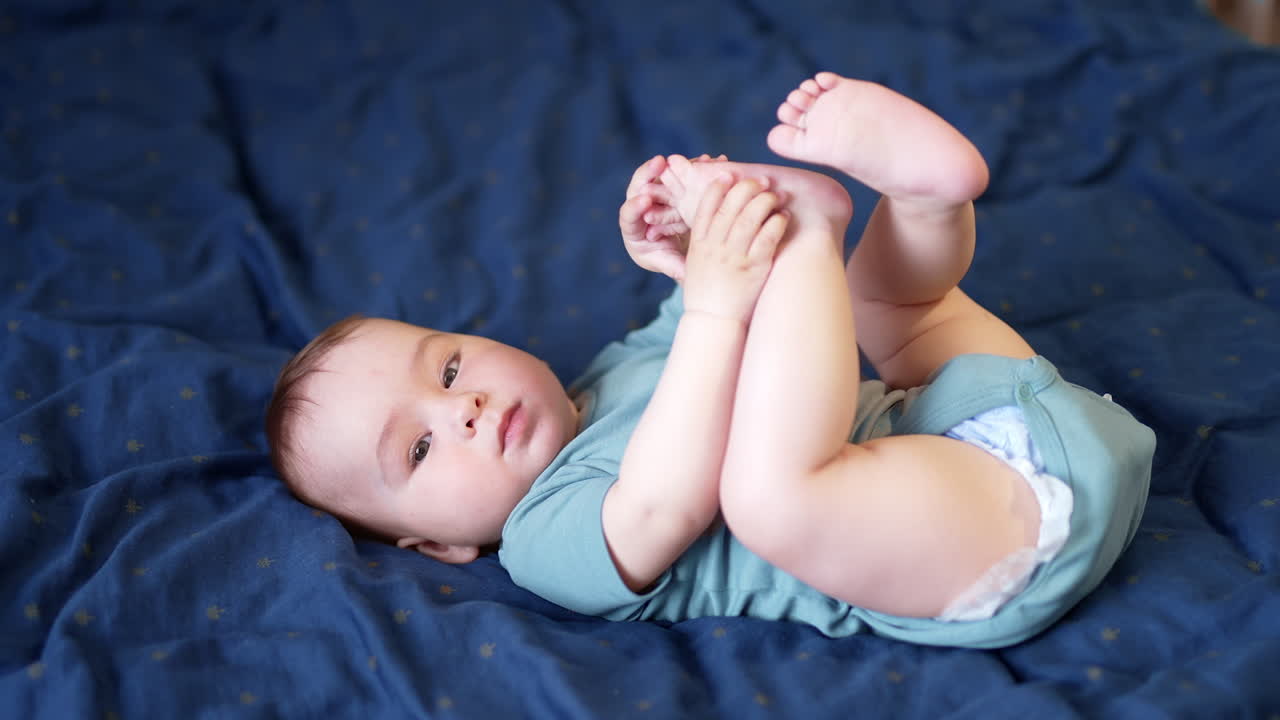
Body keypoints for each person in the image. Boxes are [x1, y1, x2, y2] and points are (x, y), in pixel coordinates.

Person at [265, 72, 1156, 648]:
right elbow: (667, 498)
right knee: (763, 496)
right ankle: (817, 229)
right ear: (438, 548)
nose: (456, 409)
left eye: (448, 367)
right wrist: (725, 296)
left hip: (978, 425)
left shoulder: (616, 371)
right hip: (983, 547)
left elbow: (718, 314)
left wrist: (699, 238)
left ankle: (925, 200)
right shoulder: (544, 540)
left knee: (893, 308)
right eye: (418, 451)